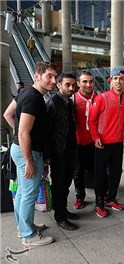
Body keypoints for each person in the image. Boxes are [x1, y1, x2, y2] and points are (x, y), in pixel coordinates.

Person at [4, 61, 58, 246]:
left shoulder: (24, 92)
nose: (53, 81)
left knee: (22, 192)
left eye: (55, 77)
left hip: (20, 148)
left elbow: (8, 115)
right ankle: (28, 235)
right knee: (28, 194)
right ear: (37, 76)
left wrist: (20, 137)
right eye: (49, 76)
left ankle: (24, 227)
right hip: (29, 152)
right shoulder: (34, 99)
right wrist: (29, 159)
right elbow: (23, 132)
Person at [88, 68, 124, 218]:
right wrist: (96, 137)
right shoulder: (102, 97)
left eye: (121, 79)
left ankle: (111, 198)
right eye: (115, 79)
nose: (118, 81)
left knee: (116, 173)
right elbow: (91, 120)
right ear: (110, 81)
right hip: (103, 143)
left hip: (118, 143)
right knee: (100, 175)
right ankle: (99, 203)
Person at [46, 72, 79, 231]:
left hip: (70, 149)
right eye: (67, 85)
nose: (71, 88)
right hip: (58, 151)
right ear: (59, 84)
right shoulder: (53, 102)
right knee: (59, 184)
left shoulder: (68, 102)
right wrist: (48, 155)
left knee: (66, 183)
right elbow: (47, 131)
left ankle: (63, 210)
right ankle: (60, 217)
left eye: (73, 85)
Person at [72, 71, 97, 210]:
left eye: (91, 81)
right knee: (78, 172)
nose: (88, 84)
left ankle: (101, 195)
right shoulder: (73, 99)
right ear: (78, 83)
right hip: (78, 143)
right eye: (85, 81)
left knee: (97, 170)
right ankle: (80, 196)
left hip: (95, 142)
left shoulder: (98, 98)